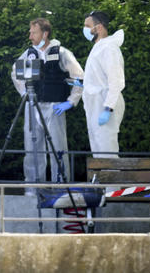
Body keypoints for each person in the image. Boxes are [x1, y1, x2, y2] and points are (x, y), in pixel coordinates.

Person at [11, 18, 84, 185]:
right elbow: (15, 73)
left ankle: (60, 187)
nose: (30, 36)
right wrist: (24, 93)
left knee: (58, 149)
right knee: (32, 149)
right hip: (33, 106)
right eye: (30, 32)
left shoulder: (62, 53)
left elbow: (79, 77)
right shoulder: (30, 53)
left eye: (33, 32)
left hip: (55, 107)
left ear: (45, 34)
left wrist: (71, 101)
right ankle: (33, 188)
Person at [82, 11, 125, 157]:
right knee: (98, 147)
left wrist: (108, 108)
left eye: (88, 26)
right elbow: (100, 77)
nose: (85, 29)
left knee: (107, 149)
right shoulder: (99, 47)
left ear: (99, 27)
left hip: (105, 104)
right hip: (97, 104)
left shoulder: (109, 48)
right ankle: (102, 178)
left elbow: (116, 80)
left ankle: (112, 178)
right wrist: (85, 83)